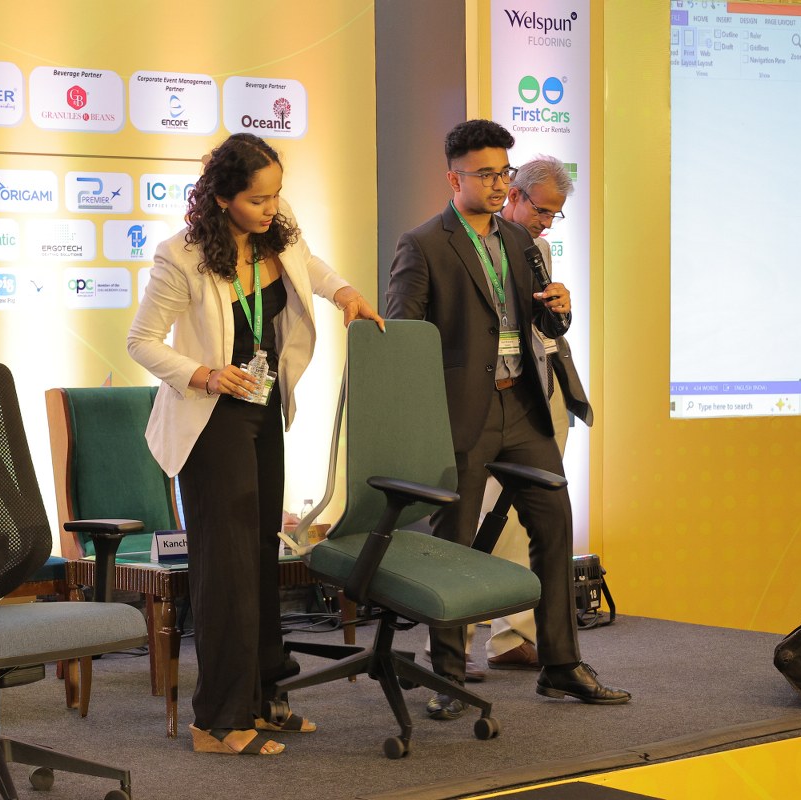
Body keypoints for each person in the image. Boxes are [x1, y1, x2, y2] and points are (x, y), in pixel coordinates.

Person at [127, 132, 384, 756]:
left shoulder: (278, 225)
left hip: (263, 409)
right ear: (222, 199)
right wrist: (205, 373)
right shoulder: (181, 257)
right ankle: (217, 721)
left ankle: (265, 697)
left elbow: (306, 264)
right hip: (210, 419)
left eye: (276, 195)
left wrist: (344, 292)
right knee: (228, 568)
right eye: (257, 200)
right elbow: (142, 341)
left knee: (263, 558)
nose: (271, 208)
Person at [386, 120, 629, 718]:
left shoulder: (521, 242)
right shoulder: (424, 244)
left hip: (522, 407)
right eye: (486, 174)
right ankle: (448, 675)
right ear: (455, 179)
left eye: (504, 173)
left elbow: (540, 324)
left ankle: (561, 664)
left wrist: (560, 311)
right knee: (454, 543)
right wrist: (424, 420)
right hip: (461, 414)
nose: (498, 185)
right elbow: (403, 342)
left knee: (554, 524)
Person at [467, 155, 595, 676]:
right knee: (484, 520)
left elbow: (544, 327)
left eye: (554, 214)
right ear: (513, 195)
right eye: (540, 210)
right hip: (485, 398)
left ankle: (514, 636)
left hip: (538, 391)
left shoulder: (535, 248)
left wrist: (561, 306)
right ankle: (448, 642)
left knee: (536, 518)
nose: (546, 222)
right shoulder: (465, 243)